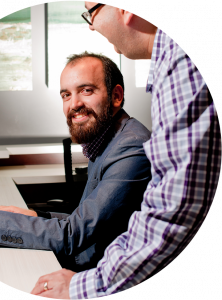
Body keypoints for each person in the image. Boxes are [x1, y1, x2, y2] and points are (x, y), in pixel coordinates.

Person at [30, 3, 222, 299]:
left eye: (90, 11)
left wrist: (82, 285)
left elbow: (173, 212)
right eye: (66, 95)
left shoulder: (179, 64)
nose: (91, 25)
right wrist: (31, 216)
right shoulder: (164, 68)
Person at [0, 52, 152, 272]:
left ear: (116, 96)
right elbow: (85, 220)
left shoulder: (131, 148)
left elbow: (73, 235)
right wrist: (34, 215)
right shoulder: (106, 138)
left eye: (86, 90)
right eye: (66, 95)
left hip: (101, 274)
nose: (74, 104)